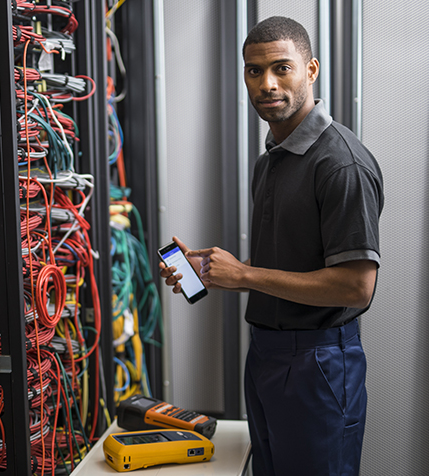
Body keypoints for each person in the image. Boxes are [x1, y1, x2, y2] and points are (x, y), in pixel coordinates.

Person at [159, 16, 384, 476]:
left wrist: (245, 276)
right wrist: (218, 271)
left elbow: (355, 288)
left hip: (319, 362)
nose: (267, 83)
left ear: (312, 70)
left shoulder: (340, 164)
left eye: (282, 68)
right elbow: (289, 268)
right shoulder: (272, 162)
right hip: (266, 353)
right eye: (254, 71)